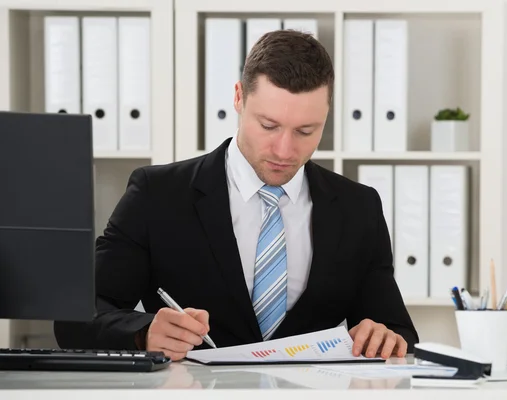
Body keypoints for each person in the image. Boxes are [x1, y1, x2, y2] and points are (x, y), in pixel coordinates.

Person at [54, 29, 419, 361]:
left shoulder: (359, 207)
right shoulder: (157, 194)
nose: (284, 149)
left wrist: (385, 337)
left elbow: (397, 331)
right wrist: (144, 333)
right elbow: (77, 318)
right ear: (239, 97)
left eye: (306, 130)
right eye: (268, 125)